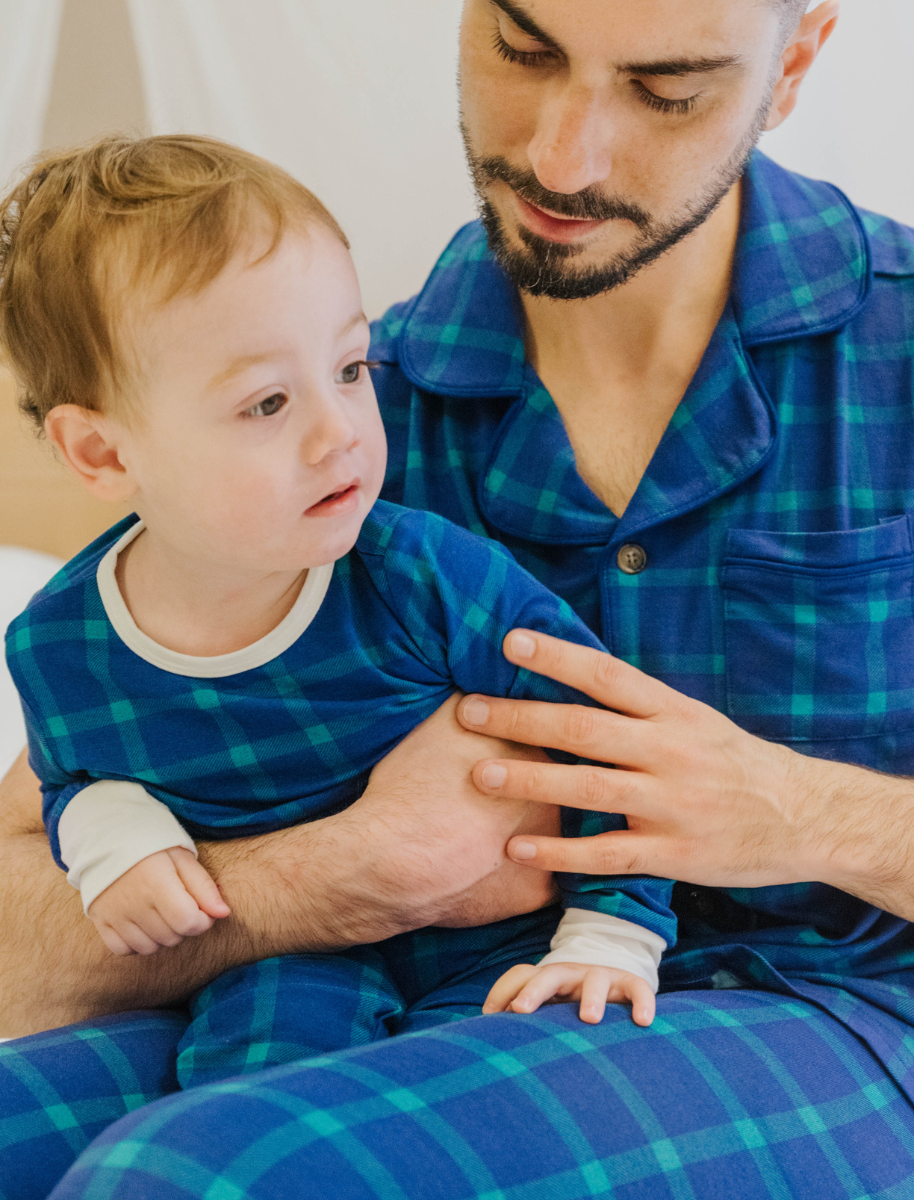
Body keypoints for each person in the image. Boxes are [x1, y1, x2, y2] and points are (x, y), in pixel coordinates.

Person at [3, 0, 914, 1197]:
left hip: (877, 1036)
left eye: (667, 88)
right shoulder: (332, 425)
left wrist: (804, 813)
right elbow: (25, 909)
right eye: (524, 51)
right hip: (412, 1006)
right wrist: (333, 874)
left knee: (195, 1177)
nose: (564, 157)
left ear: (793, 63)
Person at [0, 136, 673, 1091]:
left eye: (351, 369)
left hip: (494, 945)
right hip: (269, 974)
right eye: (267, 402)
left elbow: (601, 724)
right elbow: (71, 776)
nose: (339, 432)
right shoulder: (60, 645)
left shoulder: (420, 574)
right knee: (242, 1093)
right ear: (104, 456)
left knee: (457, 1095)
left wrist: (615, 925)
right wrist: (114, 833)